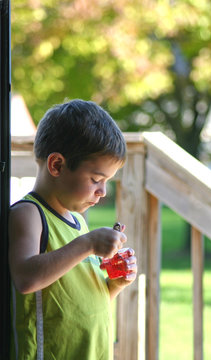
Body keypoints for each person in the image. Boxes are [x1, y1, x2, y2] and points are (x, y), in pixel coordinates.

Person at [8, 99, 137, 360]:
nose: (102, 191)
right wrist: (87, 244)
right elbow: (26, 279)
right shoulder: (29, 214)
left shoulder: (78, 223)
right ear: (56, 165)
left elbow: (77, 301)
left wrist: (114, 284)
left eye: (106, 182)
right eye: (96, 179)